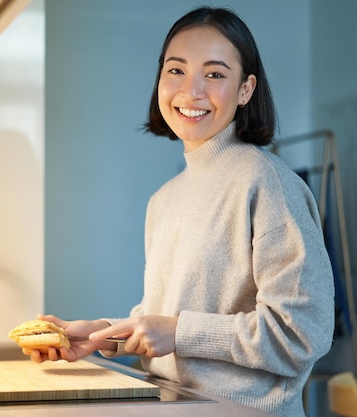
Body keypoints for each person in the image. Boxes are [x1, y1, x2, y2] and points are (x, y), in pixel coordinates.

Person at [29, 6, 334, 417]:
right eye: (176, 70)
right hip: (172, 406)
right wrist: (100, 336)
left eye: (214, 74)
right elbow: (163, 318)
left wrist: (180, 332)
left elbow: (301, 336)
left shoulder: (266, 183)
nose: (191, 91)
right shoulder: (165, 199)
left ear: (245, 89)